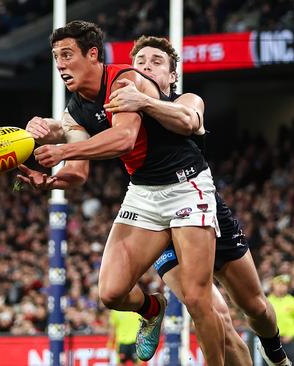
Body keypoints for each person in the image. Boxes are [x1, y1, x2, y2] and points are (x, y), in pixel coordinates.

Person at [17, 21, 225, 365]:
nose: (60, 64)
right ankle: (152, 307)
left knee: (197, 297)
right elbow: (78, 173)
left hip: (185, 186)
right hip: (143, 192)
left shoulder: (124, 79)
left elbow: (124, 139)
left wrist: (63, 151)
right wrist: (51, 181)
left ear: (93, 54)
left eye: (67, 55)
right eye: (56, 56)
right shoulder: (76, 108)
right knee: (111, 292)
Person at [103, 35, 292, 366]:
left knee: (256, 307)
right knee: (209, 309)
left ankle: (275, 353)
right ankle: (154, 312)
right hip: (157, 219)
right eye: (140, 62)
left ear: (173, 76)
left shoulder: (185, 99)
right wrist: (50, 131)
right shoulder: (121, 113)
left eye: (157, 62)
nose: (146, 66)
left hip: (202, 211)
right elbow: (82, 126)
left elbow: (190, 120)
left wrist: (143, 101)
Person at [267, 275, 294, 363]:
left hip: (289, 340)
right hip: (272, 340)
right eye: (278, 284)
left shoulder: (293, 301)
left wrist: (291, 334)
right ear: (273, 286)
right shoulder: (267, 301)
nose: (281, 287)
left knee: (292, 362)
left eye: (284, 285)